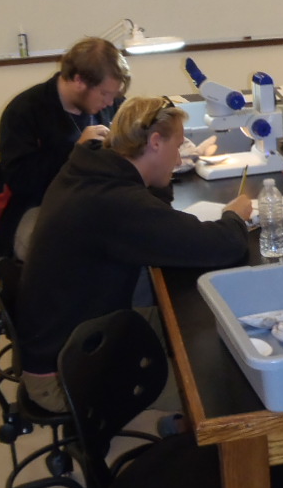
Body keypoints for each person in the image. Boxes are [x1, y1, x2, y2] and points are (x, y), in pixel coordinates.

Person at [14, 96, 253, 413]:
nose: (180, 156)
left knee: (201, 325)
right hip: (63, 376)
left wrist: (159, 172)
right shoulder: (115, 202)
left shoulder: (90, 166)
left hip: (67, 336)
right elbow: (222, 246)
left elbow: (155, 213)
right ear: (155, 142)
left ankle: (182, 431)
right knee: (221, 390)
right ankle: (196, 430)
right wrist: (235, 216)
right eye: (178, 146)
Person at [0, 37, 131, 263]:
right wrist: (75, 151)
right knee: (77, 253)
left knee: (135, 233)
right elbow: (21, 181)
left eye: (115, 94)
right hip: (36, 206)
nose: (111, 102)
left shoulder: (109, 104)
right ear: (79, 80)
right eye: (104, 93)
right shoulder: (24, 111)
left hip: (93, 197)